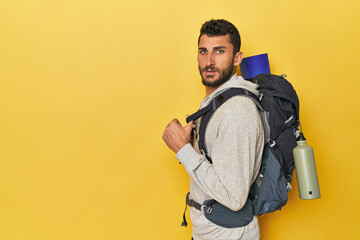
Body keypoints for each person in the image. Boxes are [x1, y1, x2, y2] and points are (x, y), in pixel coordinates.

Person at [162, 19, 264, 240]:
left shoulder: (237, 110)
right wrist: (190, 144)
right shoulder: (217, 102)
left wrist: (183, 150)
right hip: (210, 232)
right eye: (203, 51)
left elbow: (234, 197)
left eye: (219, 51)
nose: (208, 61)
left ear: (237, 58)